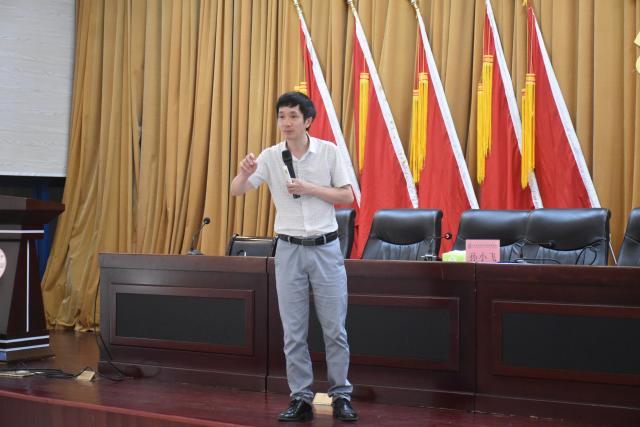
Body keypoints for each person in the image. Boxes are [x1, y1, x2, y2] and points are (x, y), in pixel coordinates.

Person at [230, 92, 358, 422]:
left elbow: (347, 196)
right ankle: (300, 397)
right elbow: (236, 190)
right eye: (281, 116)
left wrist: (309, 187)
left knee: (334, 328)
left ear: (308, 120)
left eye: (293, 116)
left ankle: (341, 395)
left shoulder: (329, 152)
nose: (286, 123)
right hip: (288, 249)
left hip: (326, 248)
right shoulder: (271, 156)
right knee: (293, 331)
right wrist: (243, 173)